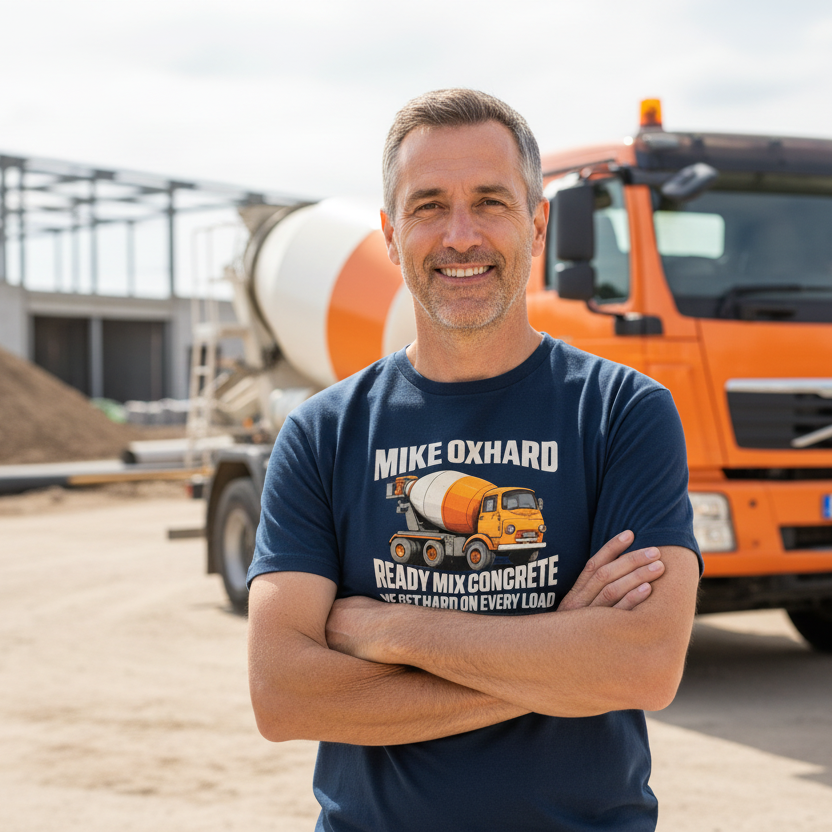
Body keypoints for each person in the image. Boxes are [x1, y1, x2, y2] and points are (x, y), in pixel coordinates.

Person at [247, 88, 701, 831]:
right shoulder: (321, 433)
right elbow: (283, 696)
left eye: (490, 202)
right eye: (428, 206)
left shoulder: (623, 412)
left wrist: (390, 631)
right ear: (392, 235)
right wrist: (563, 656)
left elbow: (645, 665)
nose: (461, 236)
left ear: (537, 222)